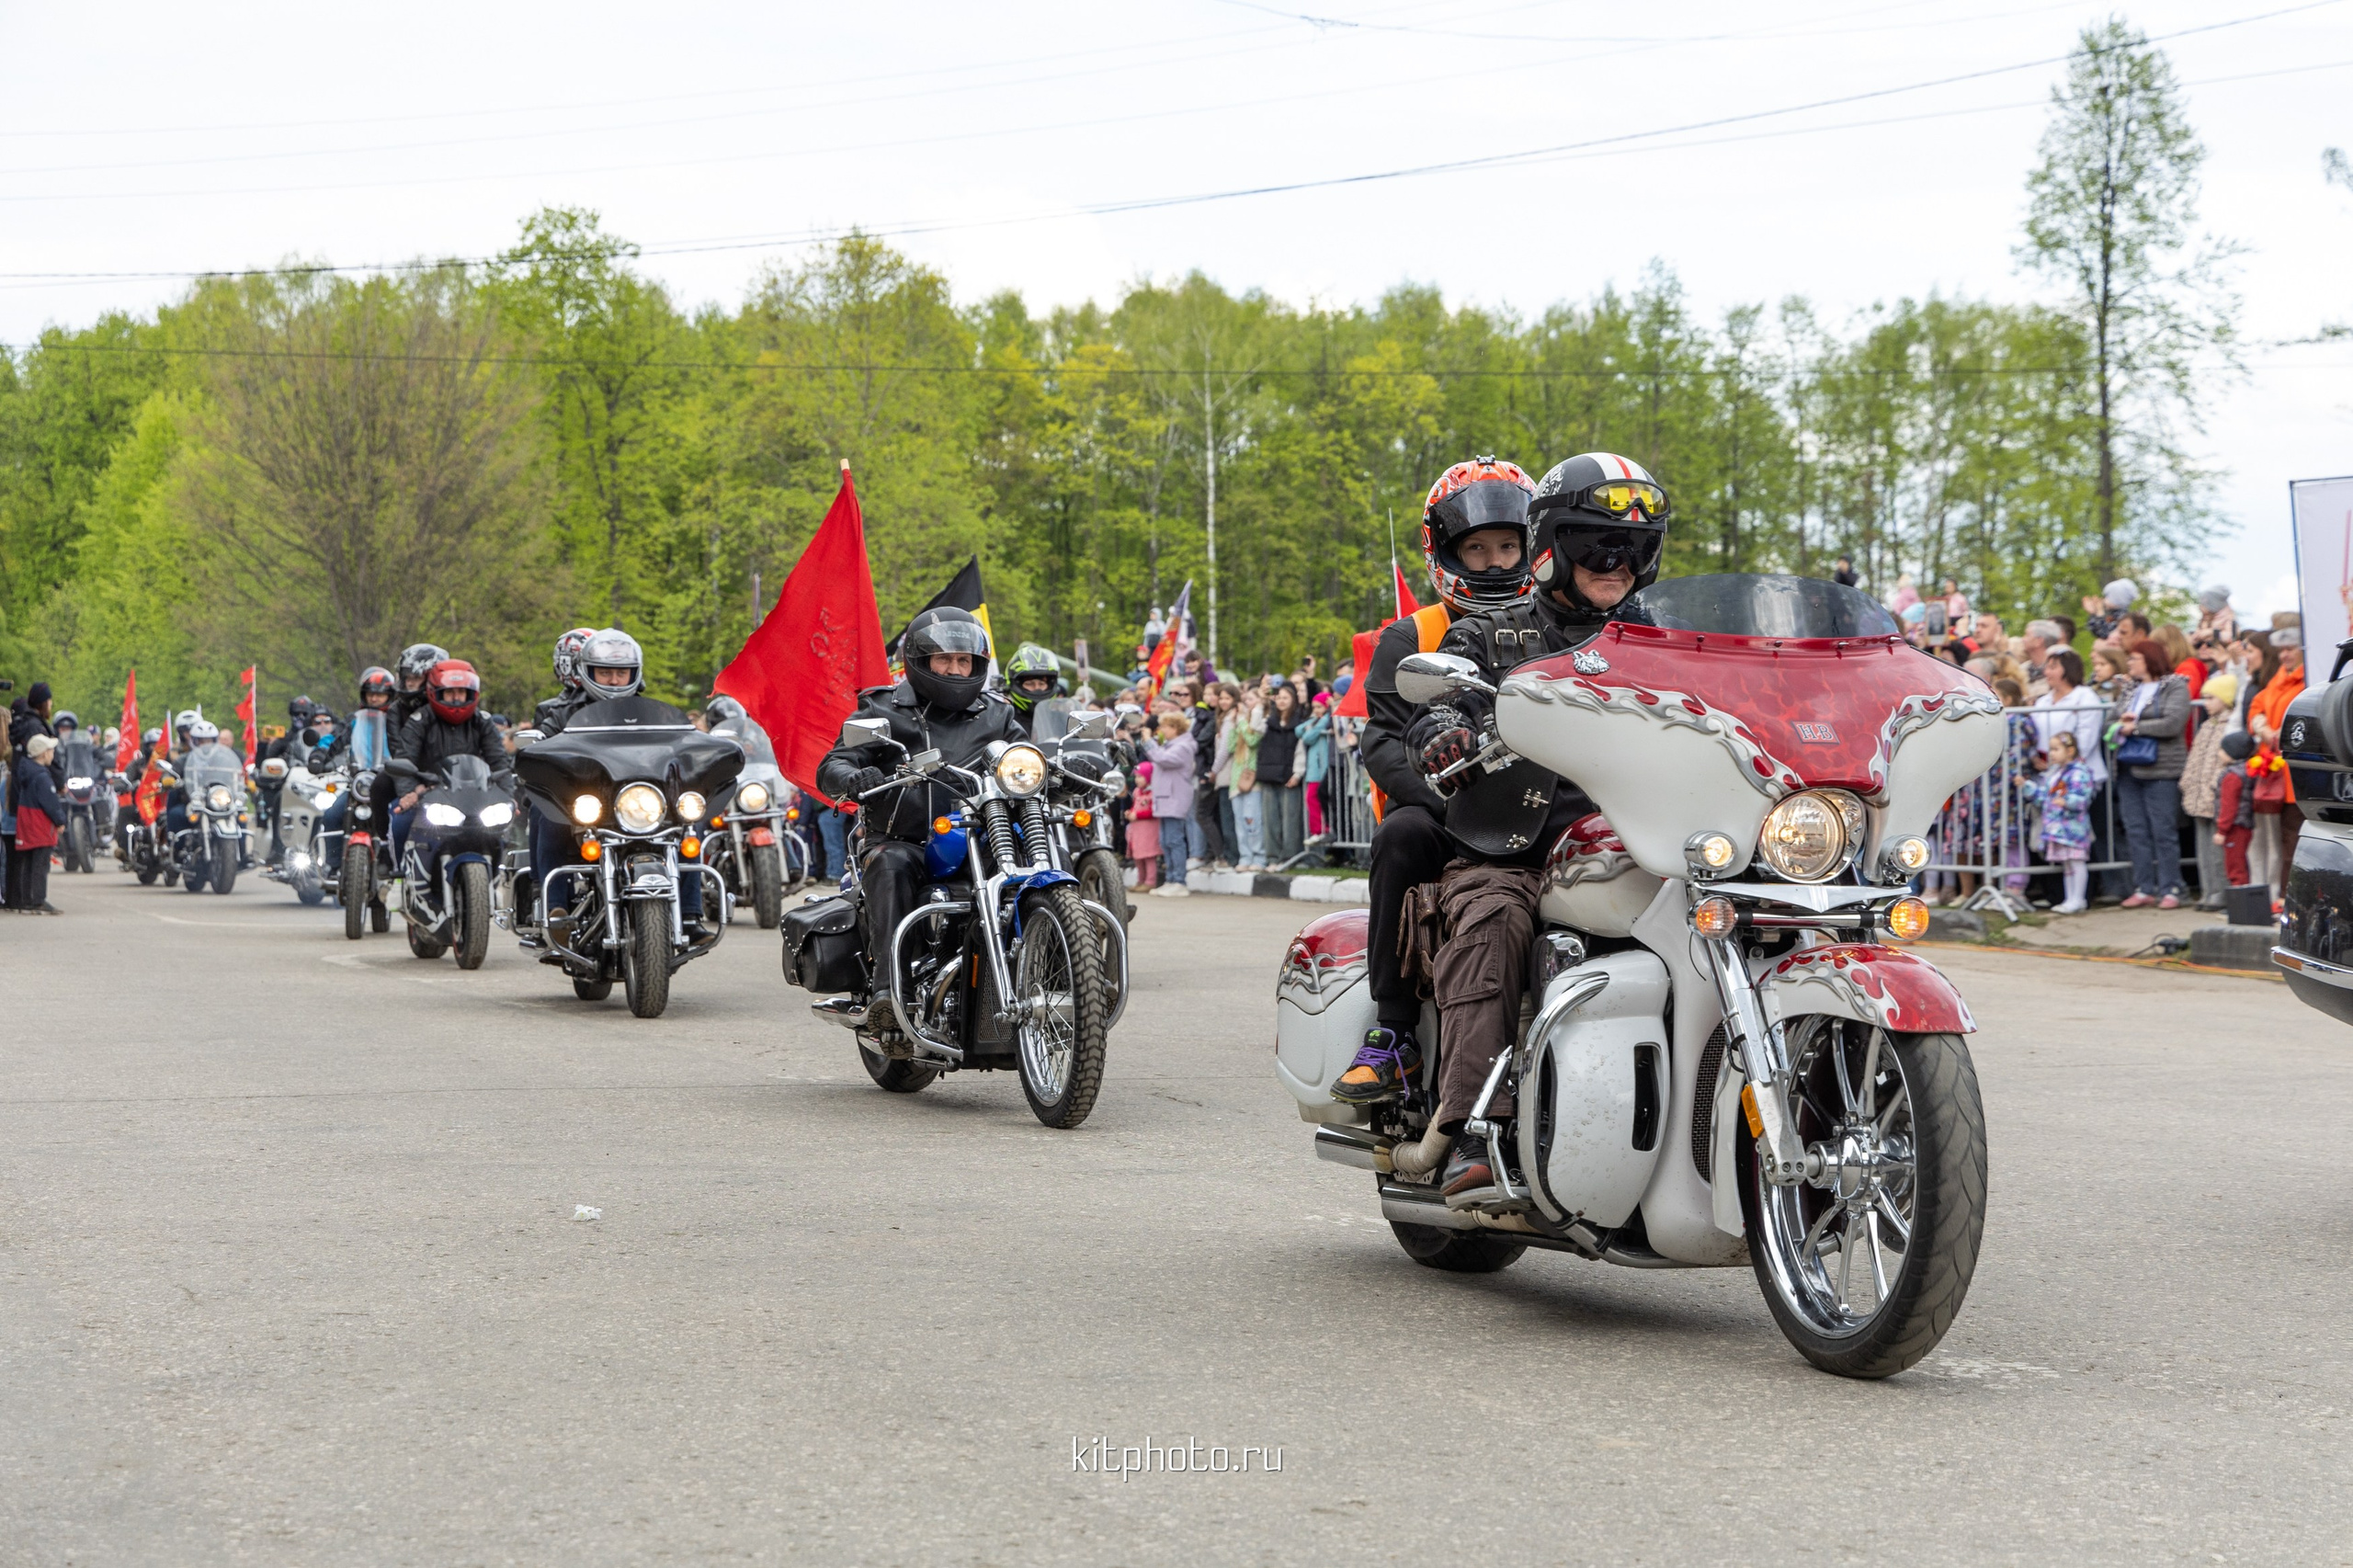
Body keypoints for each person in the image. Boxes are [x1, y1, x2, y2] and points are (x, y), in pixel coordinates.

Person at [1404, 451, 1665, 1201]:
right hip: (1521, 846)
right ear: (1554, 547)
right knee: (1491, 916)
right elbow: (1436, 707)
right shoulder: (1495, 633)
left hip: (1653, 847)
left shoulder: (1670, 642)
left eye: (1633, 548)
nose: (1616, 562)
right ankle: (1476, 1126)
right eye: (1596, 545)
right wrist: (1443, 734)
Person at [1336, 457, 1539, 1110]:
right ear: (1446, 552)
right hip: (1445, 812)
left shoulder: (1556, 628)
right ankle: (1394, 1031)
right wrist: (1453, 800)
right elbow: (1385, 741)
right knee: (1400, 833)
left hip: (1543, 808)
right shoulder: (1411, 635)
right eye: (1475, 549)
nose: (1493, 561)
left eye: (1507, 545)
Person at [816, 608, 1026, 1015]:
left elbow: (1023, 758)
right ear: (920, 662)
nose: (954, 670)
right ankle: (890, 992)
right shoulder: (884, 709)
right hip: (904, 840)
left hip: (982, 837)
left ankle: (1067, 962)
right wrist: (854, 777)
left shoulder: (997, 713)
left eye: (963, 661)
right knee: (890, 865)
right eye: (943, 660)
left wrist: (1059, 768)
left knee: (1040, 862)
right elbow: (833, 764)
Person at [388, 659, 508, 866]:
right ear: (436, 692)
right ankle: (399, 877)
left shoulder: (483, 721)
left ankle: (500, 872)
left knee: (502, 827)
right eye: (449, 692)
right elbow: (404, 759)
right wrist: (409, 792)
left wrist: (508, 795)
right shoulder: (419, 721)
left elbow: (499, 762)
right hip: (427, 792)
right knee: (401, 822)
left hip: (474, 794)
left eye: (461, 692)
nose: (456, 698)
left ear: (471, 694)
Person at [2113, 639, 2190, 909]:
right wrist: (2121, 725)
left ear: (2150, 658)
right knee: (2136, 830)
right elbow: (2113, 718)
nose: (2130, 663)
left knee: (2163, 830)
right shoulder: (2129, 689)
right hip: (2128, 768)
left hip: (2162, 769)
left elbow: (2172, 723)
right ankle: (2144, 886)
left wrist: (2134, 728)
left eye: (2134, 658)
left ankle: (2172, 887)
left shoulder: (2176, 685)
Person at [2027, 731, 2097, 914]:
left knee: (2076, 862)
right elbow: (2044, 797)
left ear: (2070, 750)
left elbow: (2082, 797)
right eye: (2050, 749)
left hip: (2073, 827)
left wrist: (2067, 802)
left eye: (2056, 749)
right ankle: (2070, 898)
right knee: (2067, 865)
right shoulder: (2055, 774)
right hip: (2058, 827)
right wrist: (2027, 788)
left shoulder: (2079, 772)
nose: (2051, 753)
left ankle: (2078, 898)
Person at [1139, 709, 1198, 896]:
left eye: (1164, 726)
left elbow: (1162, 759)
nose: (1161, 729)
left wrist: (1148, 742)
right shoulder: (1171, 744)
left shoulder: (1184, 746)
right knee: (1165, 841)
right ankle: (1171, 879)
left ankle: (1179, 881)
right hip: (1165, 799)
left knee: (1174, 840)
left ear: (1175, 728)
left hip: (1175, 798)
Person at [10, 733, 63, 914]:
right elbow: (50, 803)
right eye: (50, 750)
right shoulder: (42, 776)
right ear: (43, 754)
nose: (53, 753)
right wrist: (60, 820)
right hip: (40, 824)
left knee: (27, 862)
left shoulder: (25, 771)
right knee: (40, 864)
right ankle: (38, 899)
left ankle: (26, 899)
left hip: (26, 822)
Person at [1256, 682, 1305, 866]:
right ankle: (1272, 857)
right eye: (1279, 698)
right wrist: (1262, 702)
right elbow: (1255, 728)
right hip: (1269, 775)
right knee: (1271, 820)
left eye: (1286, 697)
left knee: (1290, 820)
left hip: (1289, 777)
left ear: (1293, 700)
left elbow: (1300, 751)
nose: (1282, 701)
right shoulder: (1268, 721)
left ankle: (1289, 857)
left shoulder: (1299, 723)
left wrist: (1298, 774)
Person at [1003, 643, 1066, 736]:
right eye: (1029, 684)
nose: (1037, 689)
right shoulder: (1005, 721)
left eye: (1042, 684)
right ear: (1014, 684)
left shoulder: (1062, 720)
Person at [1299, 691, 1333, 840]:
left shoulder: (1325, 720)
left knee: (1314, 797)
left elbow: (1307, 737)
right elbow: (1298, 730)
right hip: (1314, 769)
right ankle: (1318, 830)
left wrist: (1314, 727)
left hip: (1322, 769)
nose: (1316, 710)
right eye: (1314, 707)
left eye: (1319, 707)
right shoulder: (1317, 721)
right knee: (1311, 798)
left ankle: (1321, 830)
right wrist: (1312, 722)